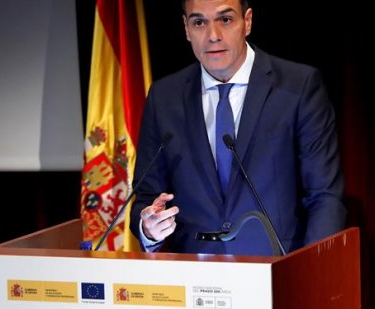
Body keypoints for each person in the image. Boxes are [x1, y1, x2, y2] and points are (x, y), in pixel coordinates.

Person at [129, 0, 346, 255]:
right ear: (187, 28)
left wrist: (313, 272)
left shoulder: (298, 87)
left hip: (277, 274)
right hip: (192, 278)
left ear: (248, 21)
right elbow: (145, 197)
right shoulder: (164, 97)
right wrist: (149, 227)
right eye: (199, 22)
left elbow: (324, 197)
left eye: (225, 20)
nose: (213, 36)